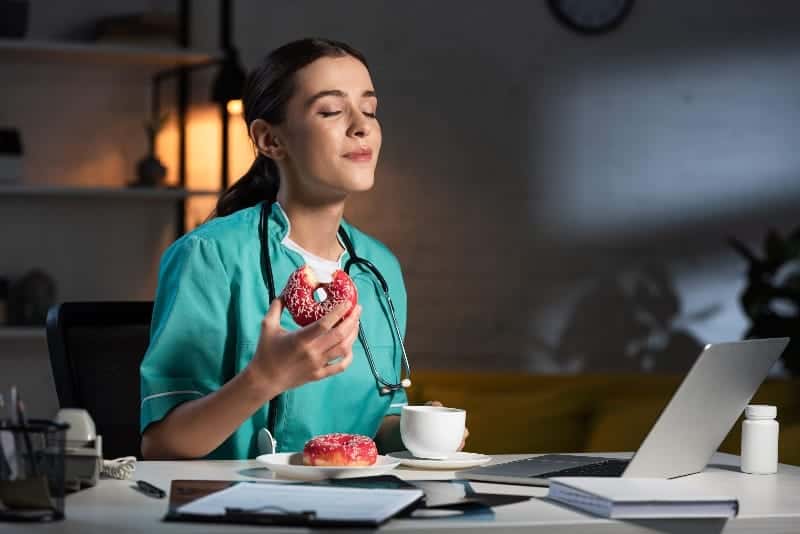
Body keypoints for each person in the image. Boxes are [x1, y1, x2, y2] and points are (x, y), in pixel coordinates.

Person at [139, 38, 467, 459]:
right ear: (270, 139)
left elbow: (378, 420)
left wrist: (418, 431)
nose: (361, 125)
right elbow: (162, 445)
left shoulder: (379, 270)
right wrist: (262, 379)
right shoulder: (209, 256)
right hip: (237, 511)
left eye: (369, 109)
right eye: (331, 110)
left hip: (357, 511)